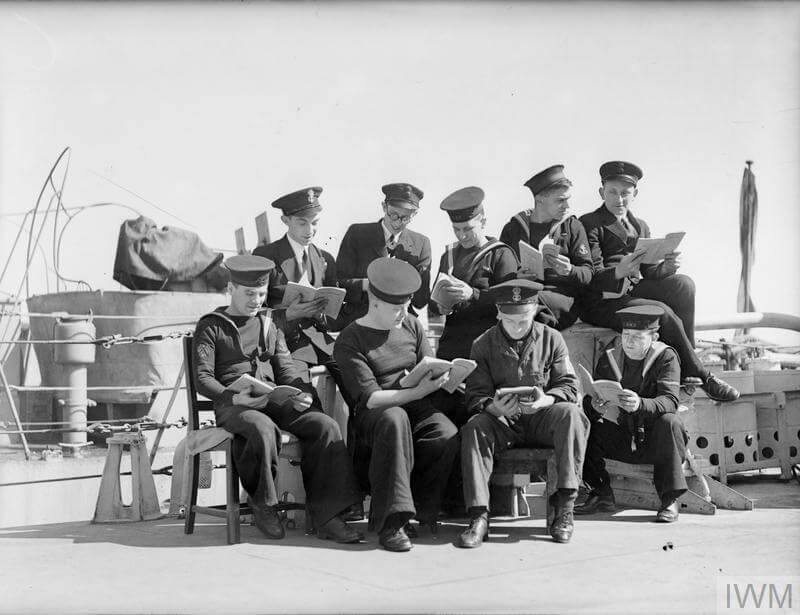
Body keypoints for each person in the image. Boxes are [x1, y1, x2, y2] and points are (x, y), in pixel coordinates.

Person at [192, 254, 362, 543]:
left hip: (272, 397)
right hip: (233, 404)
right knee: (261, 427)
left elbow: (285, 367)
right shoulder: (212, 325)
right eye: (249, 294)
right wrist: (233, 399)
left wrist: (300, 394)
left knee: (324, 425)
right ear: (231, 290)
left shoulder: (269, 323)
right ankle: (264, 504)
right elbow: (203, 379)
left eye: (260, 294)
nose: (256, 300)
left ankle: (328, 516)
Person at [578, 160, 739, 402]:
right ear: (602, 192)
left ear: (635, 194)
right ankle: (701, 374)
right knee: (660, 311)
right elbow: (590, 275)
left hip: (629, 292)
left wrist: (665, 268)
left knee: (684, 284)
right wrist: (618, 272)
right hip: (602, 301)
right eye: (612, 192)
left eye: (625, 193)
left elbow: (649, 271)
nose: (619, 199)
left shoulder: (639, 225)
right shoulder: (589, 223)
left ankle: (686, 362)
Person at [333, 257, 459, 552]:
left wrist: (445, 376)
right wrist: (415, 391)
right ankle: (392, 524)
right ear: (374, 302)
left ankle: (423, 512)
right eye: (396, 308)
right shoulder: (350, 339)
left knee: (445, 432)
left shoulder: (412, 325)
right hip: (376, 416)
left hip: (413, 404)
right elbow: (373, 398)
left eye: (406, 306)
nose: (404, 314)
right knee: (394, 419)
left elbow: (429, 365)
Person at [457, 279, 589, 548]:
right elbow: (475, 393)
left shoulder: (552, 338)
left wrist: (547, 400)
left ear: (535, 310)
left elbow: (569, 385)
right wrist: (491, 407)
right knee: (474, 427)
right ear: (498, 313)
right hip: (503, 422)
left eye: (524, 320)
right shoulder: (482, 344)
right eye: (510, 320)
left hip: (542, 419)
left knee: (571, 414)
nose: (517, 326)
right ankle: (479, 516)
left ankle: (565, 509)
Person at [575, 305, 688, 523]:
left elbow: (670, 400)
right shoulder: (610, 358)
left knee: (670, 422)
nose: (629, 341)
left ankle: (669, 500)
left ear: (654, 336)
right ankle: (600, 493)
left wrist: (640, 404)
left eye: (638, 336)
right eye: (626, 335)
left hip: (655, 442)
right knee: (581, 421)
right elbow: (593, 397)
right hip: (623, 436)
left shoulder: (666, 357)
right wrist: (594, 406)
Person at [252, 187, 352, 406]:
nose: (310, 230)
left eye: (315, 223)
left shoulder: (325, 258)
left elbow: (336, 319)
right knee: (305, 403)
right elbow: (253, 311)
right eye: (302, 223)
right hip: (285, 344)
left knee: (360, 390)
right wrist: (287, 314)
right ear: (285, 220)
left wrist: (326, 312)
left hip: (323, 342)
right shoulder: (265, 256)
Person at [431, 186, 519, 362]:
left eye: (467, 229)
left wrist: (473, 294)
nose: (462, 236)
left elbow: (511, 303)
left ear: (483, 222)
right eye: (456, 229)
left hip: (489, 348)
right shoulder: (448, 256)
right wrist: (440, 306)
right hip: (452, 347)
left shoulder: (501, 254)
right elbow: (432, 302)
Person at [336, 183, 432, 327]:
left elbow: (421, 301)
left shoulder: (421, 244)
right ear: (384, 206)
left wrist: (408, 282)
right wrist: (366, 285)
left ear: (415, 214)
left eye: (406, 218)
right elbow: (338, 283)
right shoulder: (357, 234)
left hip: (400, 325)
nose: (398, 223)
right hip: (360, 322)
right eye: (393, 215)